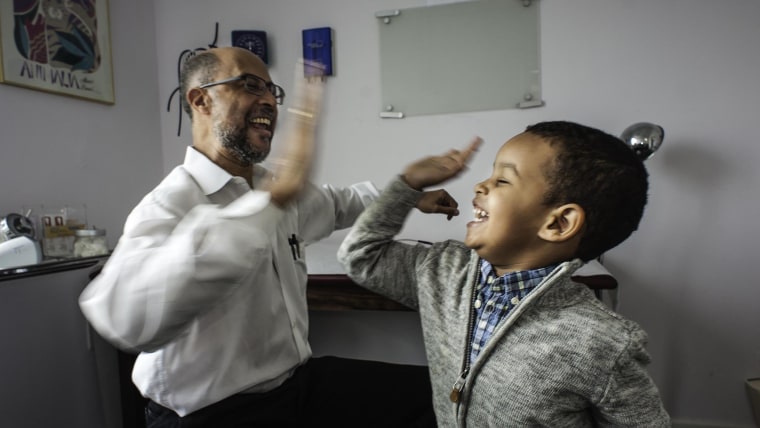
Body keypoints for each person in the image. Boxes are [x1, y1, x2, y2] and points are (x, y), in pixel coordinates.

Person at [79, 47, 442, 427]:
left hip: (293, 385)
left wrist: (410, 191)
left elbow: (341, 203)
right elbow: (124, 319)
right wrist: (270, 203)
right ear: (201, 100)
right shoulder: (169, 203)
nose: (269, 100)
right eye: (250, 85)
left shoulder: (274, 186)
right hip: (211, 412)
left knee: (435, 394)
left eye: (273, 91)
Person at [337, 121, 671, 427]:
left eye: (502, 180)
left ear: (558, 223)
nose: (481, 185)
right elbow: (361, 256)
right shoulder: (442, 271)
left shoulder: (601, 342)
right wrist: (407, 186)